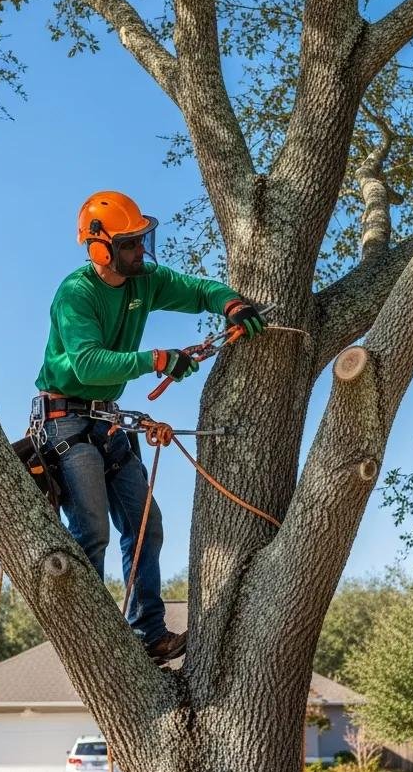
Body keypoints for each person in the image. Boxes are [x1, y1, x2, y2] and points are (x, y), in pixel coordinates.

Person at [34, 190, 265, 664]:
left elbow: (201, 290)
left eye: (142, 240)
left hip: (106, 418)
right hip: (66, 419)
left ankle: (149, 632)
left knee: (145, 526)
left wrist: (233, 305)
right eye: (131, 244)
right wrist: (157, 359)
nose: (142, 251)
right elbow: (87, 364)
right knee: (91, 530)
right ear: (100, 248)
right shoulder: (76, 293)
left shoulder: (146, 282)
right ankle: (90, 641)